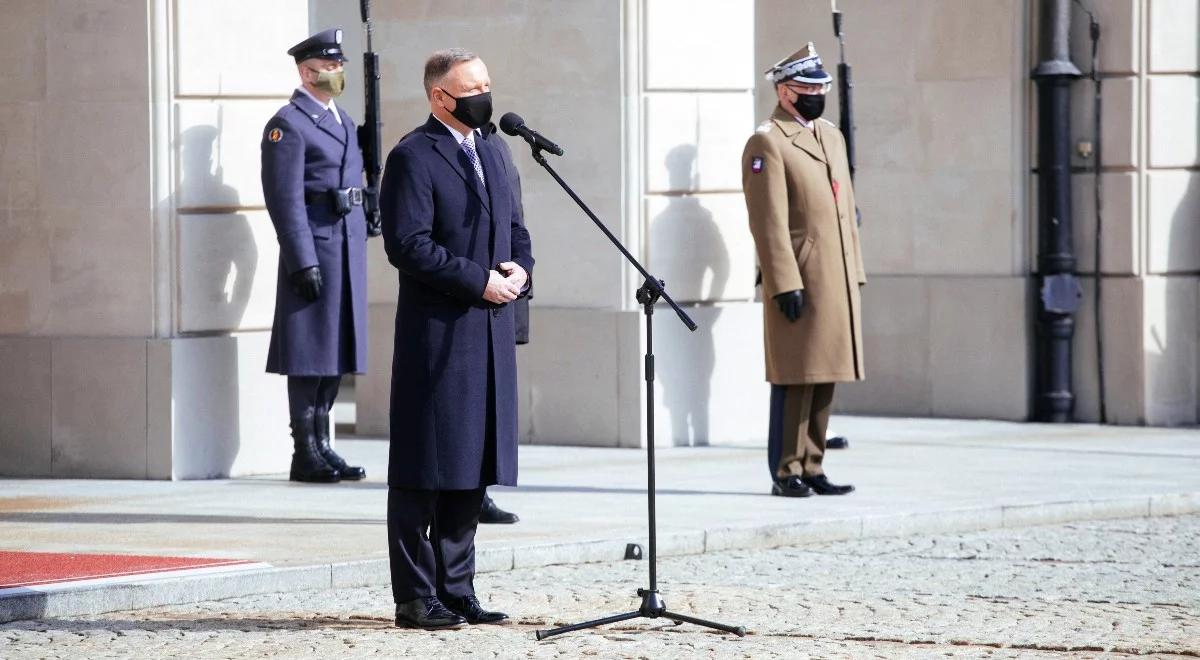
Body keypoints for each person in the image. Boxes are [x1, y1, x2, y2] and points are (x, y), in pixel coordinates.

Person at [378, 48, 533, 629]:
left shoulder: (495, 147)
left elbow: (515, 226)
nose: (484, 95)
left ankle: (458, 587)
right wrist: (479, 282)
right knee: (426, 467)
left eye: (488, 83)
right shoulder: (414, 156)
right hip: (439, 334)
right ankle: (416, 597)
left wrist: (521, 269)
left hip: (491, 330)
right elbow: (409, 245)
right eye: (473, 87)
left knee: (472, 466)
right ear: (441, 97)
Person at [742, 43, 865, 498]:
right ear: (785, 91)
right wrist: (783, 281)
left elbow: (845, 206)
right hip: (800, 276)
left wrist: (856, 271)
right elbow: (768, 221)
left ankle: (813, 464)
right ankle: (786, 470)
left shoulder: (829, 135)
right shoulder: (768, 141)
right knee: (796, 376)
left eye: (821, 87)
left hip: (835, 275)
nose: (816, 95)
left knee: (826, 373)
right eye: (807, 88)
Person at [261, 28, 368, 484]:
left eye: (340, 66)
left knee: (335, 352)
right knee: (309, 356)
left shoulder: (341, 119)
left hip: (346, 248)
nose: (337, 73)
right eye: (330, 67)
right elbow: (284, 200)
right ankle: (303, 450)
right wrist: (301, 258)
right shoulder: (289, 123)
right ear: (307, 71)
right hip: (316, 251)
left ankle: (325, 445)